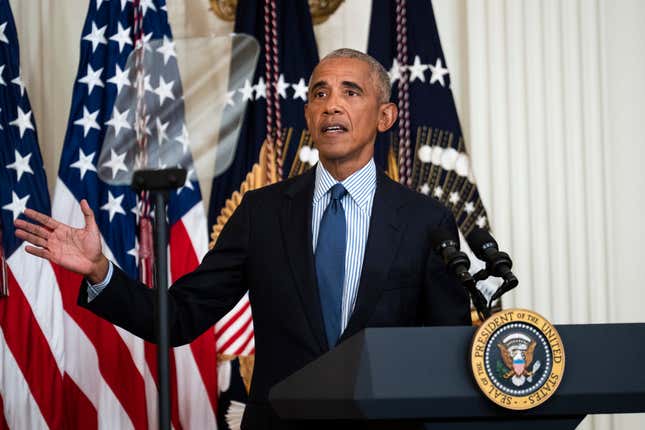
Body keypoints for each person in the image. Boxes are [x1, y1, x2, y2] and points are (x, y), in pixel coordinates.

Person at [15, 48, 470, 429]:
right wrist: (101, 272)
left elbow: (447, 351)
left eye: (351, 92)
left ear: (385, 115)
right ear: (308, 114)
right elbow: (180, 316)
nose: (332, 105)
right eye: (319, 94)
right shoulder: (262, 213)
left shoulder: (425, 220)